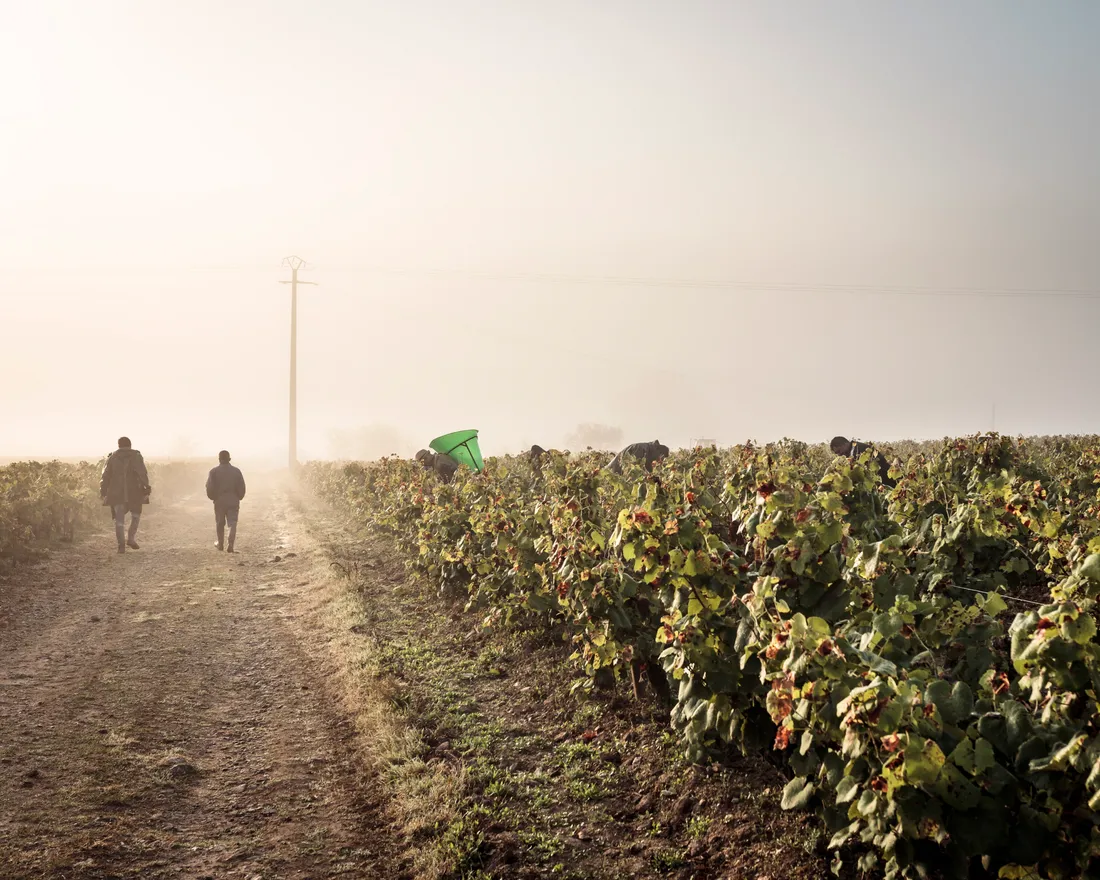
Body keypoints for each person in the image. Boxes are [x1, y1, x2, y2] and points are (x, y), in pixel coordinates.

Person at [100, 436, 151, 553]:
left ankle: (121, 546)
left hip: (116, 492)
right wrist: (146, 488)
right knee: (136, 516)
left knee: (119, 521)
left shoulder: (112, 457)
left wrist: (103, 491)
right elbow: (143, 473)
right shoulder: (136, 456)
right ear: (130, 445)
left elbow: (105, 476)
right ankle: (131, 538)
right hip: (135, 492)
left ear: (118, 445)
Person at [206, 450, 246, 552]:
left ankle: (220, 544)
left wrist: (213, 497)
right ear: (229, 459)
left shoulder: (213, 472)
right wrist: (239, 497)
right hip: (233, 500)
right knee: (232, 522)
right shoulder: (236, 471)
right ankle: (230, 544)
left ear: (219, 460)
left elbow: (209, 487)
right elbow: (242, 487)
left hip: (219, 501)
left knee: (220, 523)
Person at [830, 436, 896, 488]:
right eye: (837, 453)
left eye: (839, 451)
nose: (839, 454)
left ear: (844, 444)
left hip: (885, 479)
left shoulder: (859, 449)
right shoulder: (853, 448)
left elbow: (880, 461)